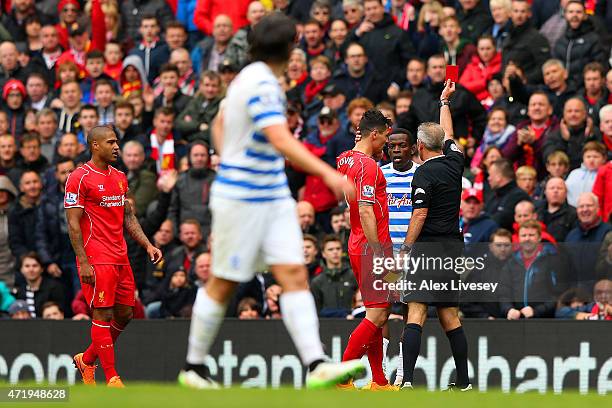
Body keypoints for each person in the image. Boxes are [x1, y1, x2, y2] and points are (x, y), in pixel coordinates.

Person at [179, 14, 363, 390]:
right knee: (223, 282)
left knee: (295, 274)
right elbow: (279, 138)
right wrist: (328, 174)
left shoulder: (253, 78)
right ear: (290, 48)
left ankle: (316, 365)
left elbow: (219, 124)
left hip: (274, 196)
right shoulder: (261, 81)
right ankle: (193, 368)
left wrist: (230, 151)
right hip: (242, 199)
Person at [66, 126, 163, 387]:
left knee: (125, 314)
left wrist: (147, 245)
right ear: (95, 145)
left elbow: (128, 215)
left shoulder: (120, 176)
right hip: (96, 257)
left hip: (121, 256)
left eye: (117, 142)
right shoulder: (79, 177)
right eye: (111, 142)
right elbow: (73, 224)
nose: (117, 147)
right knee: (103, 314)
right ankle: (112, 377)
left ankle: (86, 359)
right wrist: (83, 261)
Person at [397, 80, 471, 391]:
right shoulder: (456, 163)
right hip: (453, 247)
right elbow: (450, 136)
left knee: (415, 310)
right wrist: (444, 103)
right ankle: (464, 382)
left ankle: (409, 381)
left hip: (427, 248)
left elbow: (420, 214)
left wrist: (405, 247)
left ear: (420, 146)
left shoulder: (423, 173)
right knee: (449, 316)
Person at [337, 109, 394, 390]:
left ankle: (380, 381)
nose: (387, 142)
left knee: (378, 310)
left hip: (357, 242)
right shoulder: (368, 167)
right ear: (374, 134)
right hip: (372, 246)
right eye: (384, 136)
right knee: (378, 312)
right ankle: (343, 376)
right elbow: (366, 209)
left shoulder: (347, 159)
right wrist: (380, 253)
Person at [499, 220, 568, 319]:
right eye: (523, 235)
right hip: (516, 320)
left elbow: (558, 295)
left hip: (544, 321)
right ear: (518, 238)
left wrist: (536, 311)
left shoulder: (553, 260)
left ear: (539, 237)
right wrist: (508, 309)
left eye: (531, 235)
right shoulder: (511, 263)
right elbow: (504, 294)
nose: (527, 239)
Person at [552, 1, 607, 90]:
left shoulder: (594, 39)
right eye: (571, 12)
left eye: (578, 12)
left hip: (584, 89)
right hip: (563, 89)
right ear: (565, 15)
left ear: (585, 15)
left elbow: (599, 66)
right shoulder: (560, 41)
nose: (574, 15)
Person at [565, 192, 612, 291]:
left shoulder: (608, 232)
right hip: (575, 295)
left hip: (602, 294)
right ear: (577, 210)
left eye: (589, 205)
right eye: (581, 206)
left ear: (598, 208)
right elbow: (567, 269)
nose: (585, 209)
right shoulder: (571, 236)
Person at [501, 0, 551, 84]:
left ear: (529, 14)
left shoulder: (537, 38)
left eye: (523, 11)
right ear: (510, 14)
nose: (519, 15)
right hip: (510, 89)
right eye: (516, 11)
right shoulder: (508, 37)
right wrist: (504, 76)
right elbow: (503, 64)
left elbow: (544, 66)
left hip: (530, 88)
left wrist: (524, 78)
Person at [310, 235, 357, 317]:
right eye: (330, 249)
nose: (335, 252)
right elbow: (317, 311)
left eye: (338, 249)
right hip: (327, 326)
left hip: (353, 323)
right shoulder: (317, 281)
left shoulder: (354, 276)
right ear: (323, 254)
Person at [14, 252, 66, 318]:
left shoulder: (55, 288)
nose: (31, 269)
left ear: (42, 269)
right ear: (21, 270)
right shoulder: (20, 291)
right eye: (27, 266)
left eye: (35, 265)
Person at [484, 158, 531, 230]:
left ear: (498, 176)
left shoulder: (519, 196)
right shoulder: (493, 195)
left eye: (490, 175)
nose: (488, 178)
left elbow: (500, 221)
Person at [536, 177, 577, 243]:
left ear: (566, 192)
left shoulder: (574, 214)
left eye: (559, 188)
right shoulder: (536, 211)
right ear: (545, 192)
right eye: (552, 188)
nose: (555, 191)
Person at [565, 142, 607, 206]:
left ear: (604, 159)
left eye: (595, 157)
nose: (591, 160)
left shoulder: (607, 175)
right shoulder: (574, 174)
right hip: (573, 212)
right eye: (588, 157)